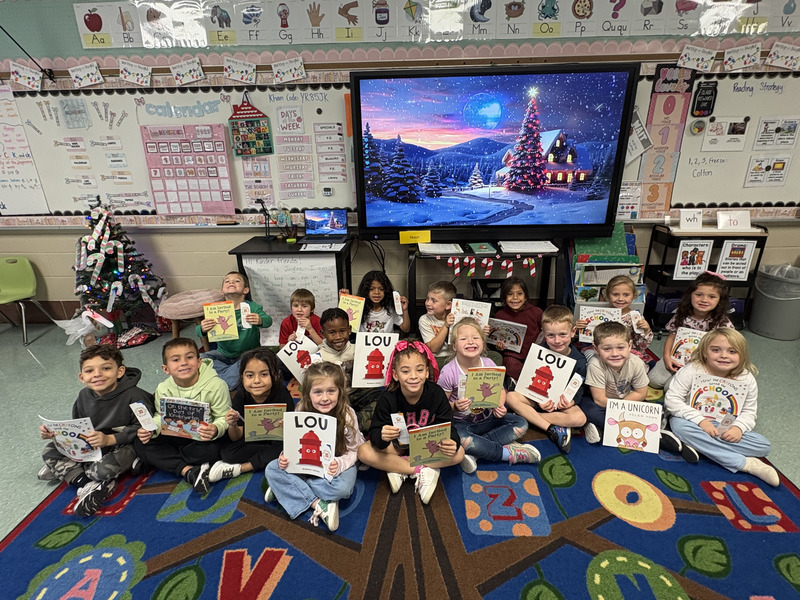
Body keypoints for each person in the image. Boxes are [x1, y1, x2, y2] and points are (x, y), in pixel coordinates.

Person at [38, 344, 154, 517]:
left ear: (120, 371)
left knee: (101, 470)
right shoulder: (83, 396)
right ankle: (86, 483)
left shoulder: (135, 395)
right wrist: (56, 434)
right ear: (81, 377)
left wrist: (110, 440)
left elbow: (147, 427)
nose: (97, 375)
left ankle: (74, 472)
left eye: (106, 368)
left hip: (125, 444)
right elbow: (77, 426)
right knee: (49, 450)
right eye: (89, 371)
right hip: (94, 443)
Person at [663, 328, 778, 486]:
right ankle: (746, 464)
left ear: (742, 354)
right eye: (716, 350)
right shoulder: (692, 370)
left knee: (764, 446)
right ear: (704, 352)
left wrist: (738, 428)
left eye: (732, 351)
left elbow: (749, 412)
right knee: (680, 427)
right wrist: (701, 421)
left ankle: (696, 444)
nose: (724, 355)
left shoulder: (746, 378)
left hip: (724, 425)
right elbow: (672, 400)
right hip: (691, 422)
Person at [357, 341, 465, 504]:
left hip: (428, 447)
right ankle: (420, 469)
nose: (413, 376)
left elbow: (449, 427)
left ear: (427, 371)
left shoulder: (436, 394)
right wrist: (383, 435)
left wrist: (451, 441)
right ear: (395, 374)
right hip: (398, 448)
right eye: (405, 371)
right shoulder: (388, 397)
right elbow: (376, 435)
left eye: (419, 370)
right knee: (363, 452)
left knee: (459, 453)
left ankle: (396, 467)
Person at [265, 362, 364, 531]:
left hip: (336, 464)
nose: (325, 398)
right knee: (272, 468)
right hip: (307, 464)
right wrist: (285, 457)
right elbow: (293, 444)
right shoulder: (301, 408)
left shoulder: (347, 415)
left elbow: (356, 449)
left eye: (331, 391)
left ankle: (290, 488)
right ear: (307, 393)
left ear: (340, 391)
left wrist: (340, 464)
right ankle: (318, 504)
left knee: (343, 489)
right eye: (318, 392)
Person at [436, 317, 539, 472]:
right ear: (455, 346)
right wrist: (455, 406)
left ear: (483, 343)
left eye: (475, 338)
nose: (470, 341)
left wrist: (500, 405)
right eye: (464, 339)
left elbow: (502, 390)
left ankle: (477, 451)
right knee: (461, 439)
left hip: (488, 418)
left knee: (522, 424)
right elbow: (440, 406)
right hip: (461, 423)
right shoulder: (448, 372)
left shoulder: (489, 363)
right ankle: (507, 454)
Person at [134, 337, 231, 494]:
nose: (184, 362)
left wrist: (215, 429)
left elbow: (224, 417)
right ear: (166, 369)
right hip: (175, 436)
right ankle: (188, 470)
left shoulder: (217, 385)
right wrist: (151, 428)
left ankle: (164, 461)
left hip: (203, 440)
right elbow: (160, 416)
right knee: (140, 442)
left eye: (190, 357)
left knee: (216, 449)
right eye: (176, 359)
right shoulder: (163, 388)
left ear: (199, 362)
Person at [505, 305, 588, 453]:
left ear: (573, 332)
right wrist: (537, 400)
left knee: (580, 418)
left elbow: (579, 389)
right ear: (543, 334)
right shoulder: (538, 351)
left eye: (563, 334)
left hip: (560, 405)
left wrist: (571, 401)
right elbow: (527, 378)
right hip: (536, 399)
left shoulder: (579, 360)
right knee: (510, 397)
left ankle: (528, 417)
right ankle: (551, 429)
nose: (557, 340)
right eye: (551, 335)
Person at [208, 347, 294, 482]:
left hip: (276, 440)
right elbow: (235, 436)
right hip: (251, 439)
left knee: (288, 450)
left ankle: (241, 468)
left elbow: (290, 434)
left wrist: (286, 426)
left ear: (275, 375)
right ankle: (262, 459)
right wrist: (232, 425)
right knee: (227, 452)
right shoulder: (241, 396)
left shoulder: (282, 394)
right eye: (250, 375)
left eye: (264, 374)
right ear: (242, 377)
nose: (256, 381)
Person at [649, 272, 733, 390]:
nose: (704, 300)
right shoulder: (682, 314)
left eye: (712, 297)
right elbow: (672, 336)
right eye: (699, 294)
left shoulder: (722, 322)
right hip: (676, 357)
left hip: (701, 364)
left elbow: (729, 346)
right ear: (690, 295)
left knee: (670, 388)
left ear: (720, 300)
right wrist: (667, 357)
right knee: (654, 381)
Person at [196, 271, 273, 389]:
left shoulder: (252, 307)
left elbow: (268, 321)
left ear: (245, 290)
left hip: (247, 354)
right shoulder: (216, 309)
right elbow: (197, 332)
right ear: (222, 290)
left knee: (254, 361)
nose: (231, 282)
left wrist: (260, 320)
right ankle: (234, 375)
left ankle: (224, 381)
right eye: (227, 281)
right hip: (223, 354)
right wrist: (202, 328)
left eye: (237, 281)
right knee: (201, 359)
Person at [581, 321, 649, 443]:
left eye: (621, 347)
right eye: (607, 349)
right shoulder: (595, 365)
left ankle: (607, 427)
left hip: (623, 400)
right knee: (590, 411)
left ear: (629, 346)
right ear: (596, 349)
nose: (615, 354)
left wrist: (621, 407)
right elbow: (600, 400)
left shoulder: (636, 362)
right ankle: (594, 424)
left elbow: (641, 393)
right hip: (600, 403)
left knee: (649, 408)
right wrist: (622, 411)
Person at [317, 307, 381, 432]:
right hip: (336, 398)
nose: (338, 337)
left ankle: (351, 424)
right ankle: (354, 425)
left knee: (383, 398)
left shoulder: (358, 349)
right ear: (322, 333)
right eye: (332, 332)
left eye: (342, 331)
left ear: (349, 330)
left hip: (358, 393)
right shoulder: (318, 356)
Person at [576, 275, 653, 367]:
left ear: (633, 296)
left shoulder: (635, 317)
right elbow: (589, 337)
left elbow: (642, 345)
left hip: (626, 352)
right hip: (603, 350)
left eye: (626, 295)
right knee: (590, 358)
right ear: (608, 295)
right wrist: (580, 329)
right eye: (615, 294)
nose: (620, 299)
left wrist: (646, 330)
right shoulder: (600, 314)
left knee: (634, 365)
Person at [493, 277, 543, 385]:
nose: (515, 298)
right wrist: (499, 346)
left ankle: (519, 383)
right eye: (510, 294)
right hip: (512, 356)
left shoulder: (536, 312)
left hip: (533, 355)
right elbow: (496, 338)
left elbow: (545, 331)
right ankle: (529, 383)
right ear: (504, 297)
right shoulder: (500, 315)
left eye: (519, 294)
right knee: (510, 365)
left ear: (525, 297)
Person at [341, 270, 411, 333]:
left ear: (386, 290)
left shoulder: (390, 308)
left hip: (386, 346)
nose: (376, 292)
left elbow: (406, 329)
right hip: (364, 345)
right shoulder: (359, 307)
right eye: (371, 289)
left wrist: (405, 310)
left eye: (381, 289)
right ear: (366, 290)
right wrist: (345, 301)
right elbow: (345, 328)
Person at [418, 280, 457, 367]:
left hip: (457, 356)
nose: (428, 303)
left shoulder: (457, 317)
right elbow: (433, 348)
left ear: (448, 305)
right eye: (427, 299)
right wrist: (446, 325)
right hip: (438, 358)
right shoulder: (425, 319)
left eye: (433, 301)